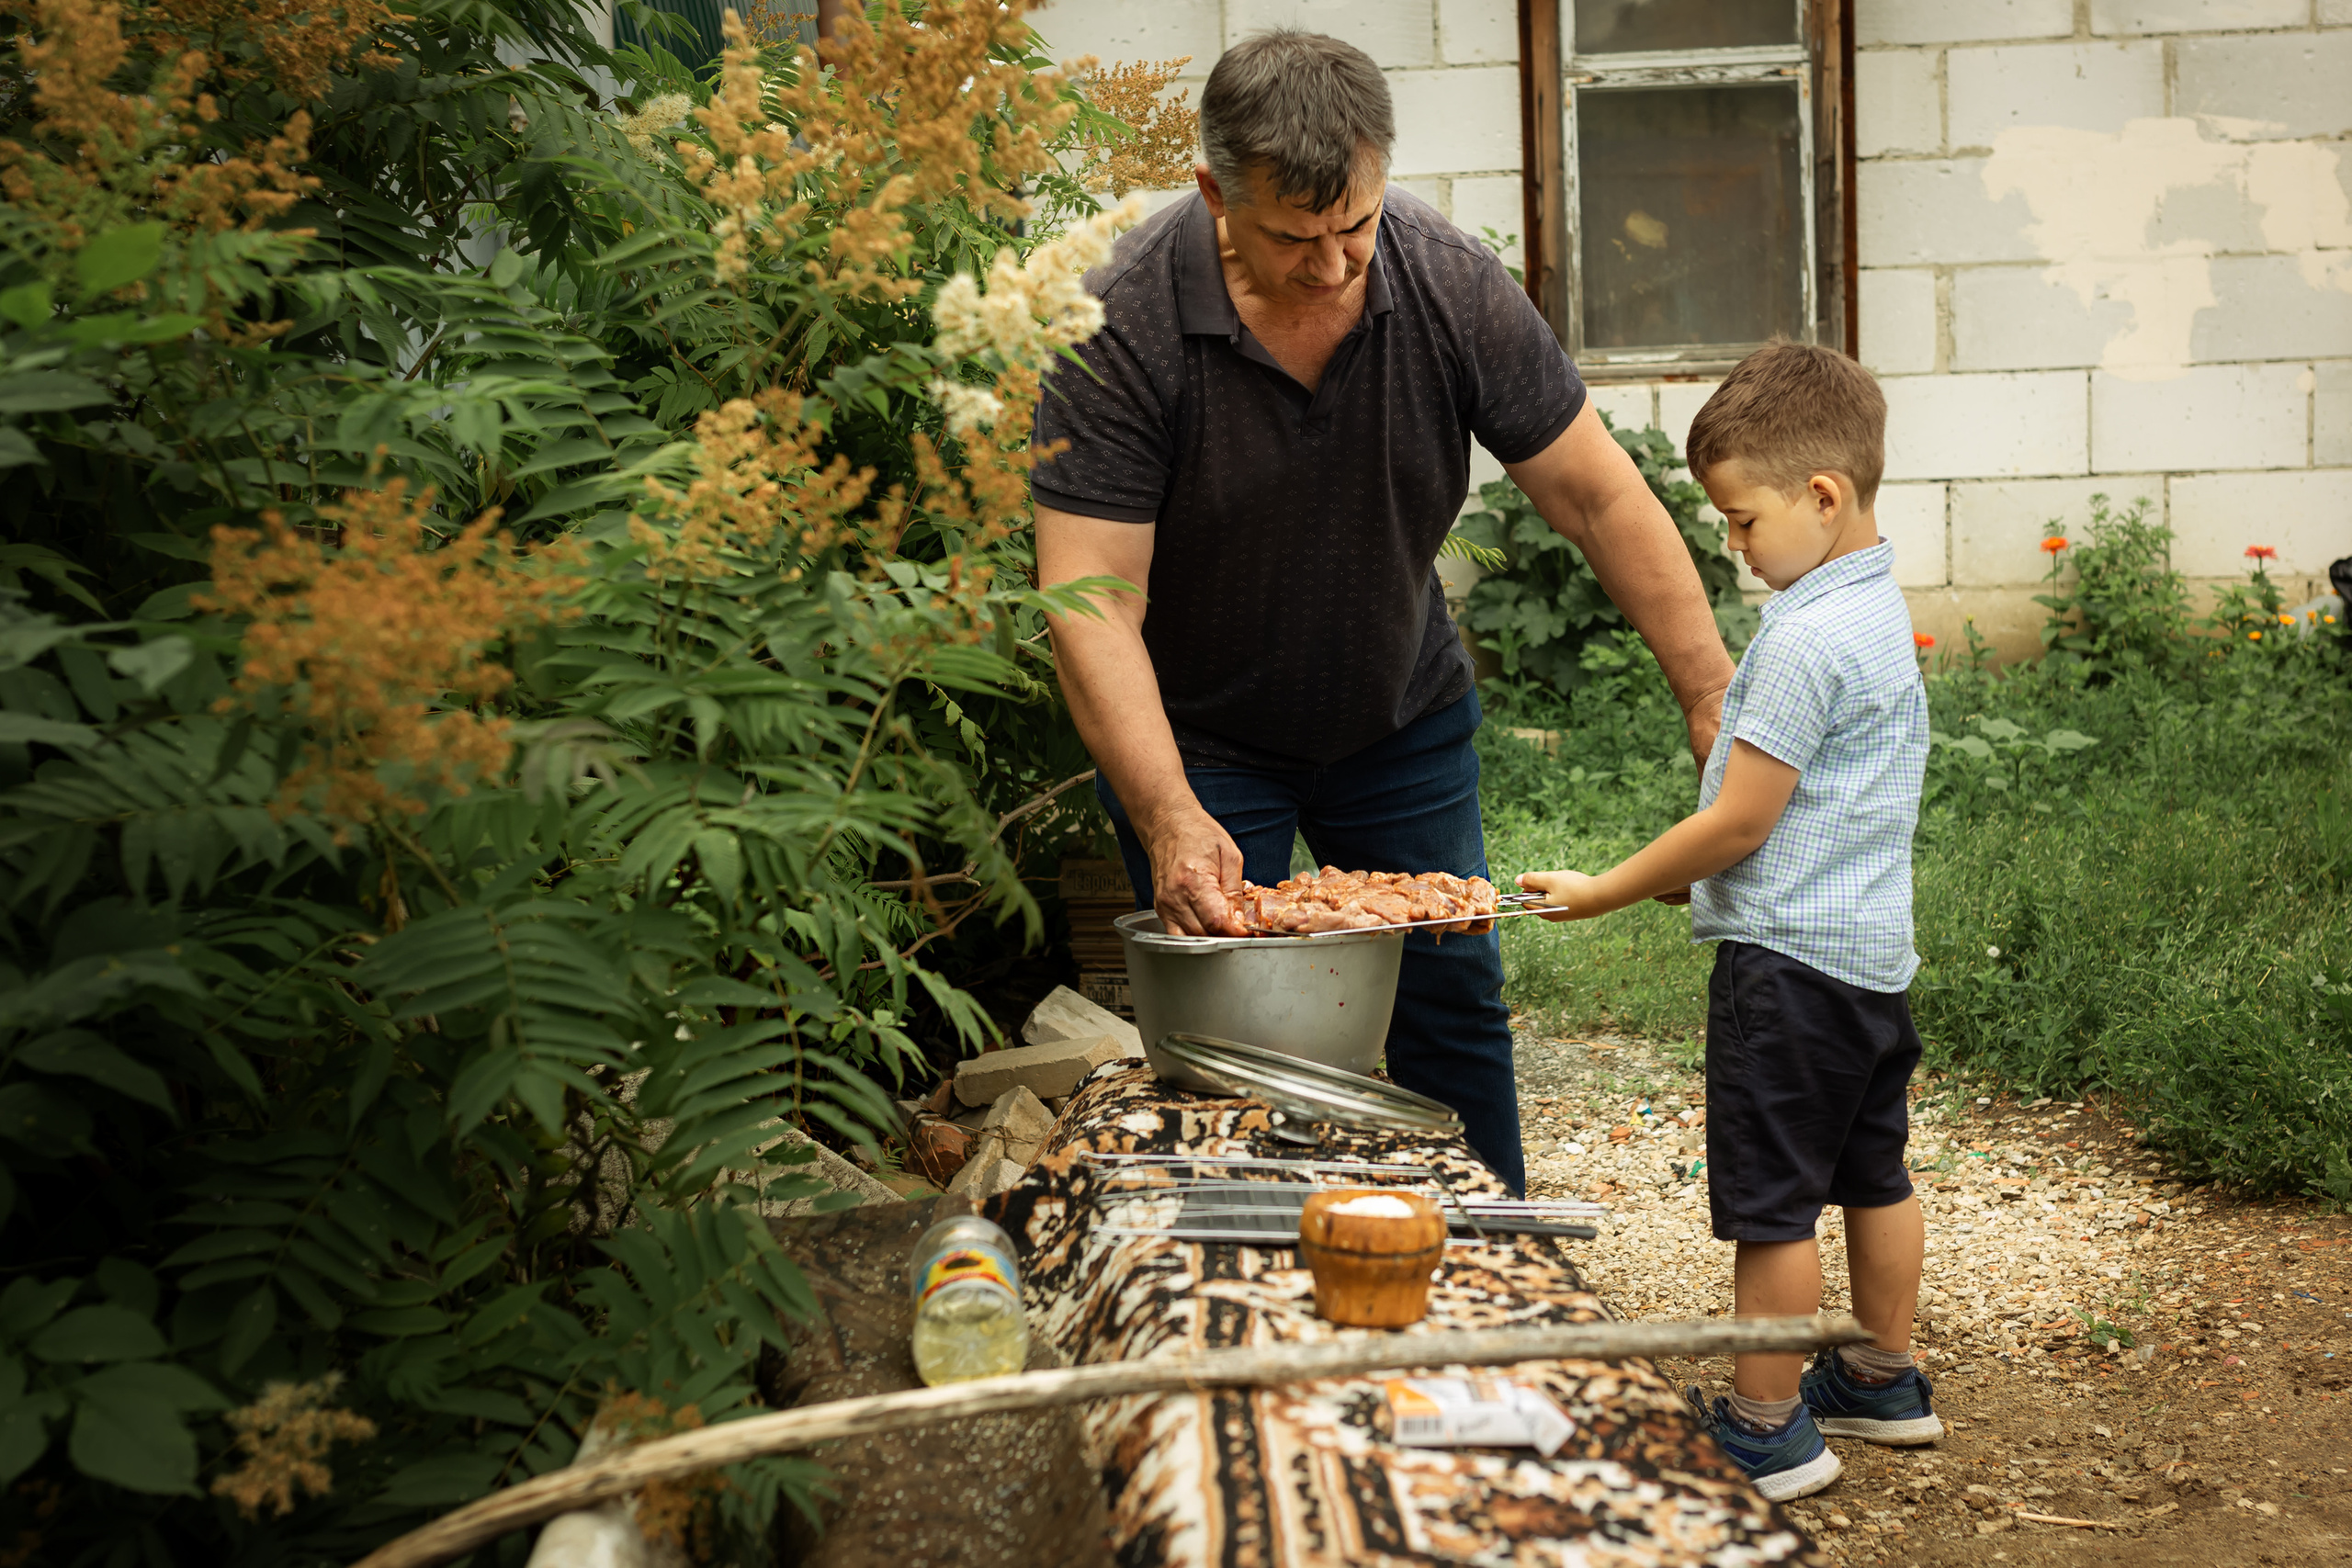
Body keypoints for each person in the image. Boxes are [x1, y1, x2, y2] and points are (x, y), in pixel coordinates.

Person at [1032, 29, 1734, 1195]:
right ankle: (1256, 1309)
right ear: (1214, 193)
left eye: (1353, 225)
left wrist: (1711, 691)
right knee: (1229, 1034)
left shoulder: (1444, 278)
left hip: (1394, 714)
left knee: (1451, 988)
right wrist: (1166, 815)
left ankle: (1491, 1270)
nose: (1334, 266)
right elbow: (1091, 601)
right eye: (1294, 238)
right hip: (1196, 739)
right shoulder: (1120, 327)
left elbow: (1600, 496)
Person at [1518, 342, 1940, 1501]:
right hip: (1868, 964)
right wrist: (1681, 875)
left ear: (1822, 497)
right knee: (1874, 1175)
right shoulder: (1872, 608)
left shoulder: (1802, 638)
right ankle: (1884, 1379)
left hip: (1789, 975)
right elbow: (1812, 811)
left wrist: (1609, 885)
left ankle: (1767, 1429)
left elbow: (1745, 821)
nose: (1733, 545)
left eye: (1742, 521)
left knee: (1772, 1204)